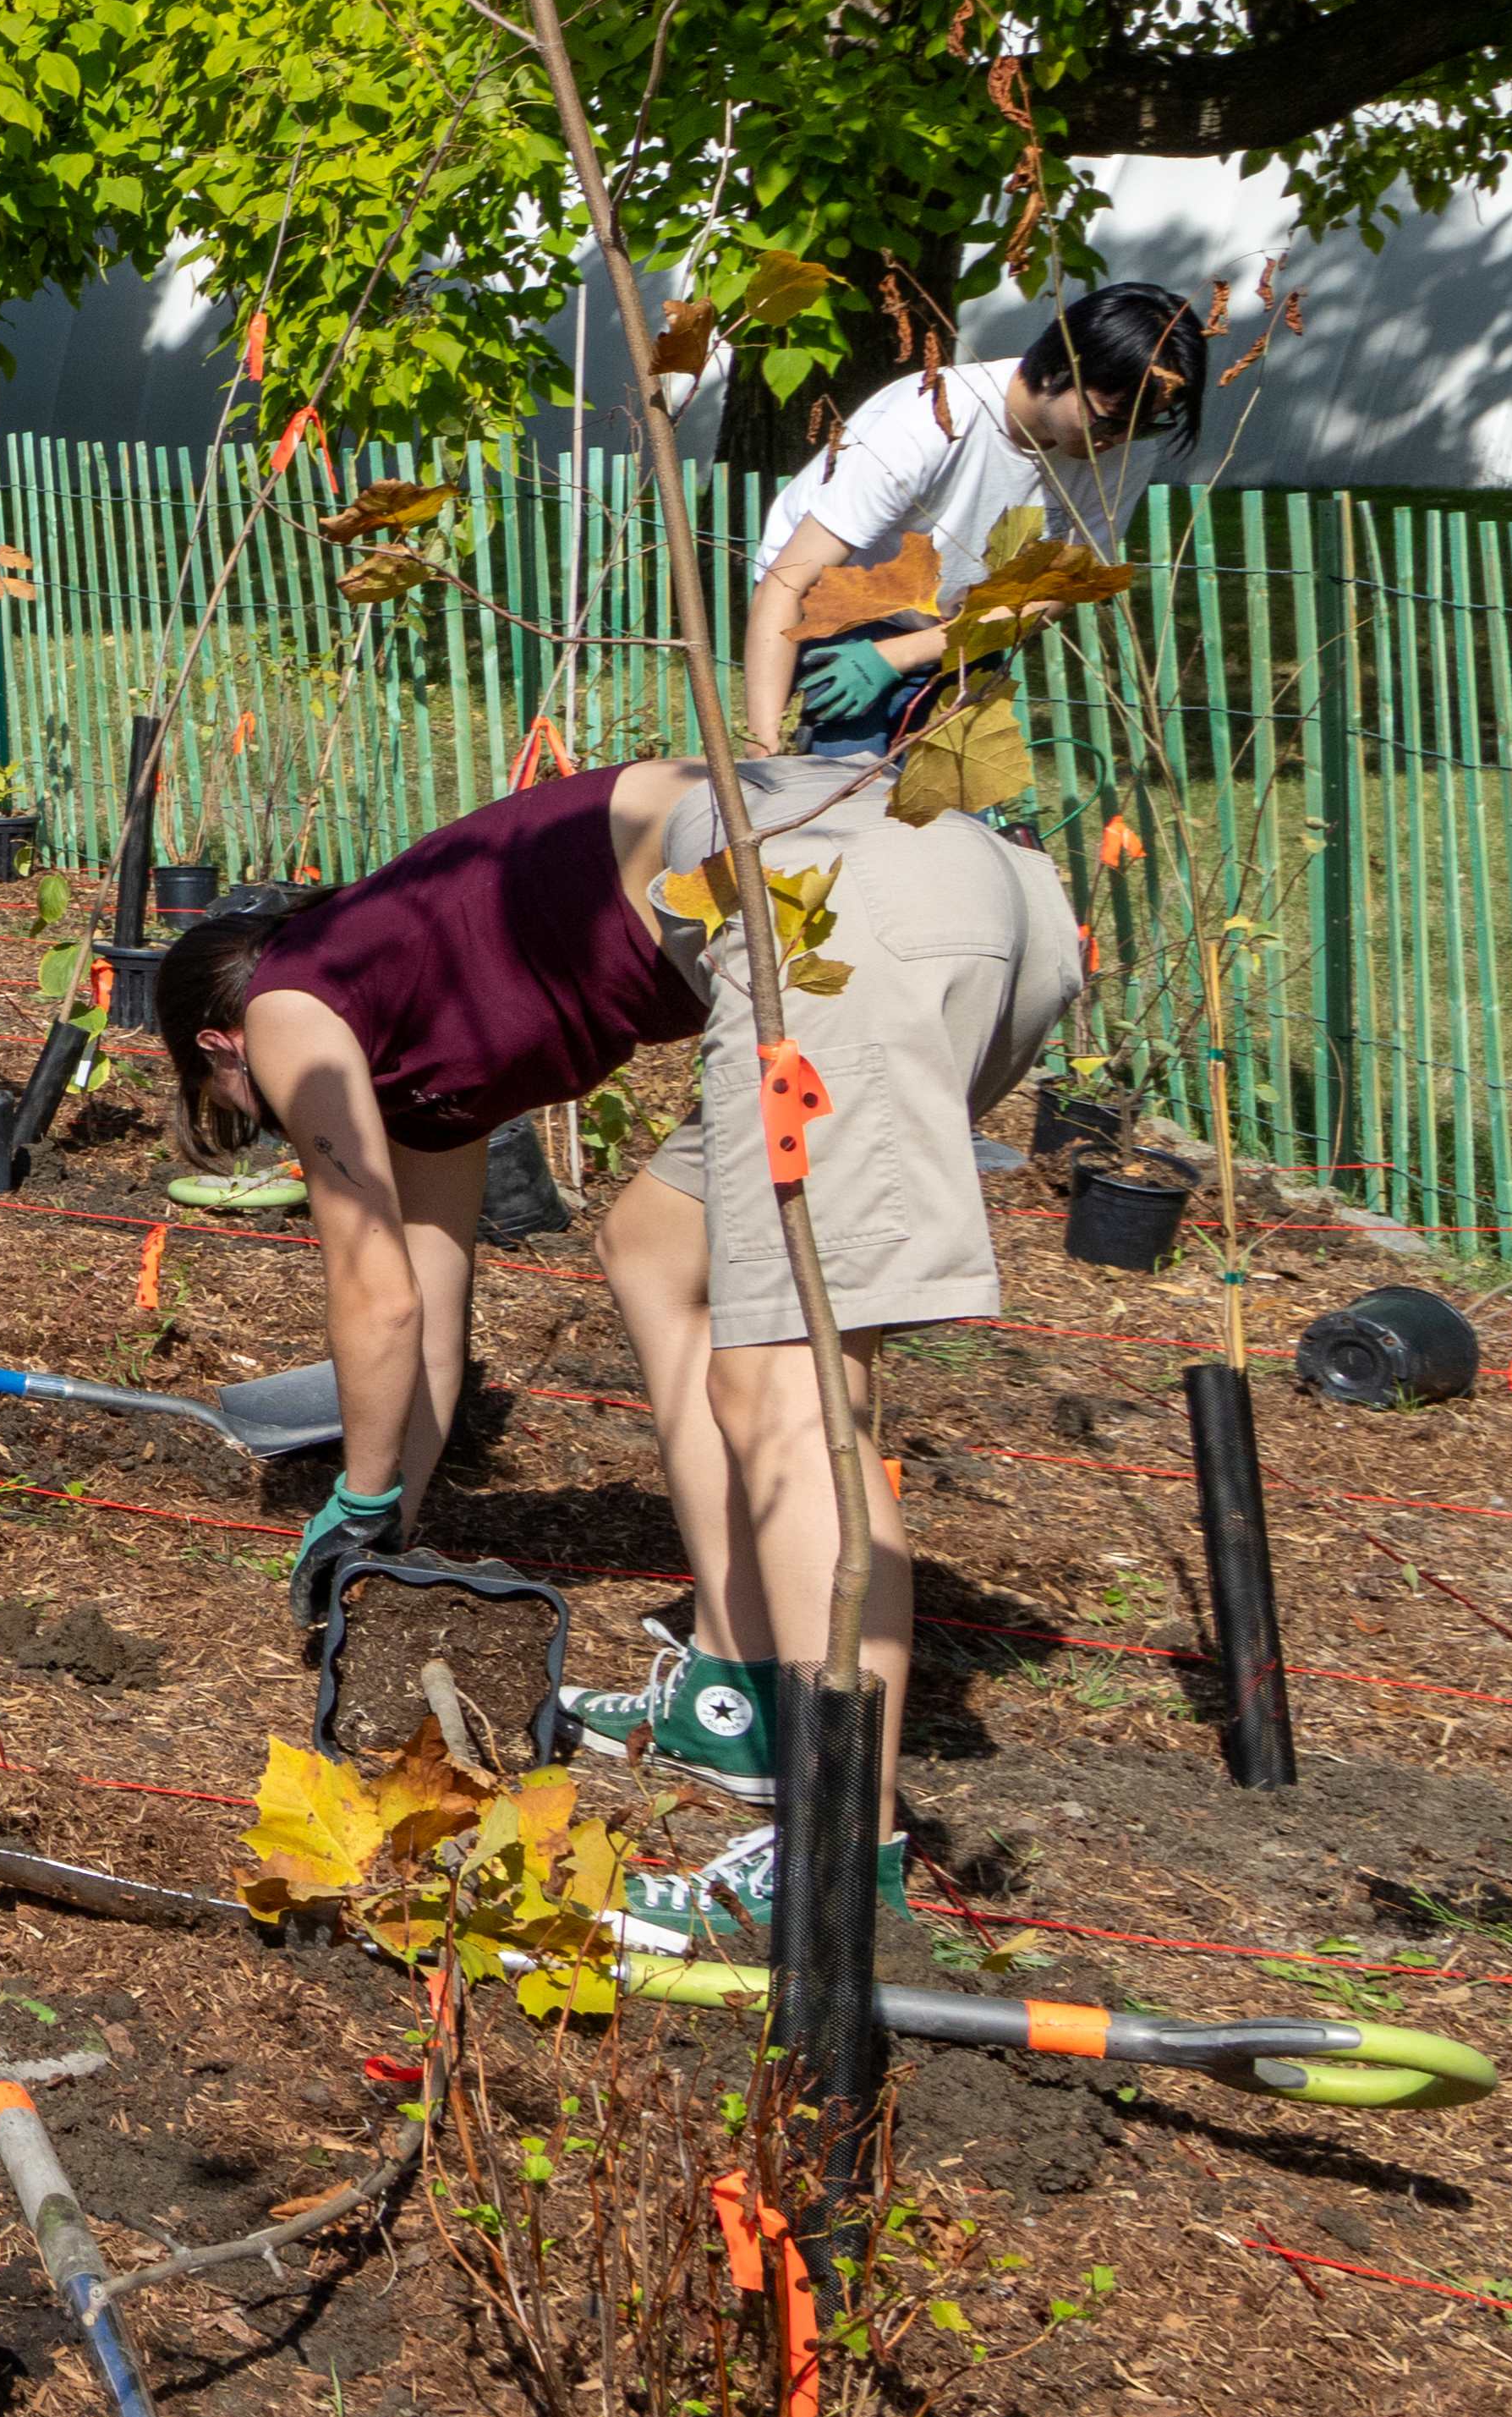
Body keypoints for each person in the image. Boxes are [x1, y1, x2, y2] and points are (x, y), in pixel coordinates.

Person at [154, 747, 1085, 1947]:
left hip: (845, 911)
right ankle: (738, 1693)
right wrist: (401, 1530)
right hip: (961, 883)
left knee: (793, 1395)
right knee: (658, 1247)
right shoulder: (410, 1004)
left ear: (221, 1044)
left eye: (240, 1108)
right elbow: (429, 1316)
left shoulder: (287, 1008)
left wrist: (360, 1498)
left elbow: (372, 1297)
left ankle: (838, 1867)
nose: (271, 1120)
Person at [740, 284, 1209, 752]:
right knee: (837, 796)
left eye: (1146, 425)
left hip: (960, 630)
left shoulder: (1123, 451)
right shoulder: (925, 424)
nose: (1120, 439)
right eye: (1110, 418)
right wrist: (763, 752)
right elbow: (785, 582)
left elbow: (1059, 589)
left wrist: (903, 655)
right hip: (836, 614)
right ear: (1065, 366)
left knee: (958, 817)